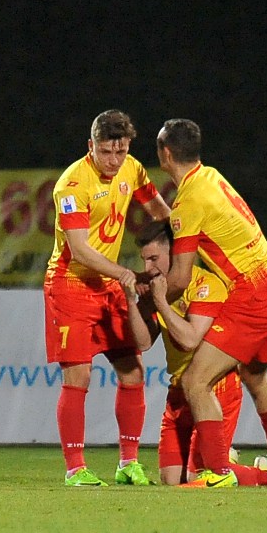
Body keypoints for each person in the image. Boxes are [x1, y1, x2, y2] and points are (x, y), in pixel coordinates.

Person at [157, 118, 267, 488]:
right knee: (254, 375)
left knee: (195, 381)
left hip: (254, 294)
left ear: (166, 154)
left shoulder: (187, 201)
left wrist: (153, 301)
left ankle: (218, 473)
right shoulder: (211, 177)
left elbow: (180, 278)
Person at [44, 110, 172, 486]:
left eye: (121, 151)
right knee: (79, 376)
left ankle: (128, 464)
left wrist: (184, 245)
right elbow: (80, 251)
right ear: (91, 146)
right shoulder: (72, 185)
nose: (114, 160)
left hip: (109, 284)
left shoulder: (132, 169)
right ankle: (75, 469)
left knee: (133, 371)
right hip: (71, 283)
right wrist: (123, 274)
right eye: (106, 152)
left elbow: (160, 213)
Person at [123, 221, 267, 486]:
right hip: (178, 393)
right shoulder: (158, 289)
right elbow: (142, 342)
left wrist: (160, 302)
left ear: (175, 254)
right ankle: (222, 457)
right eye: (144, 260)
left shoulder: (206, 285)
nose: (147, 267)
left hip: (214, 389)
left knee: (199, 477)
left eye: (153, 259)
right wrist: (132, 301)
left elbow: (190, 339)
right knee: (171, 480)